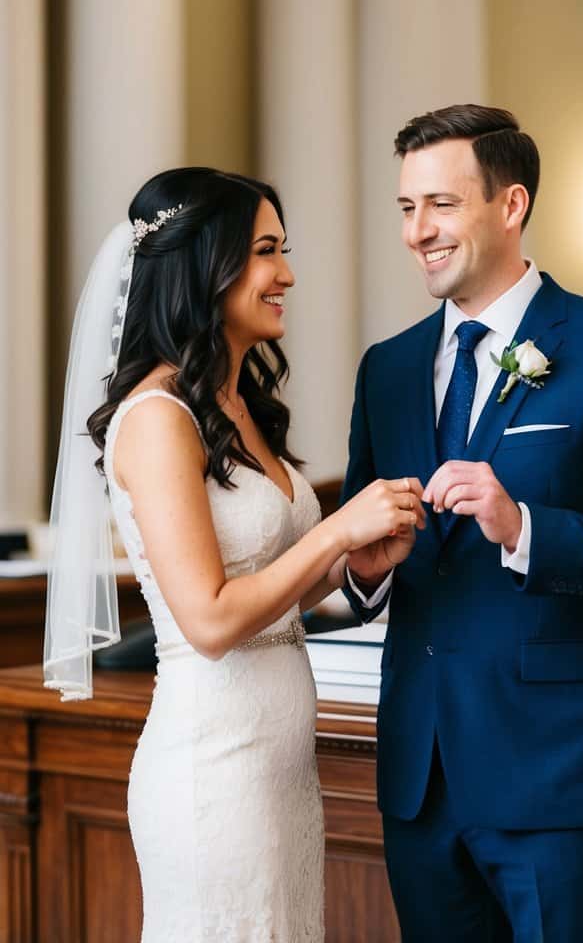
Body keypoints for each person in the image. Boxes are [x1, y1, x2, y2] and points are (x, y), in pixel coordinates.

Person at [340, 105, 583, 943]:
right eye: (405, 208)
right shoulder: (387, 368)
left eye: (440, 205)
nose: (417, 232)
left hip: (558, 775)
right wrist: (366, 571)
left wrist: (524, 528)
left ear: (510, 206)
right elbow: (369, 550)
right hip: (420, 779)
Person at [43, 167, 424, 943]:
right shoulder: (156, 418)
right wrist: (335, 531)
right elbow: (210, 622)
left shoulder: (237, 406)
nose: (285, 274)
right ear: (203, 266)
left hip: (281, 773)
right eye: (264, 252)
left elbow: (273, 592)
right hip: (212, 772)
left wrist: (358, 568)